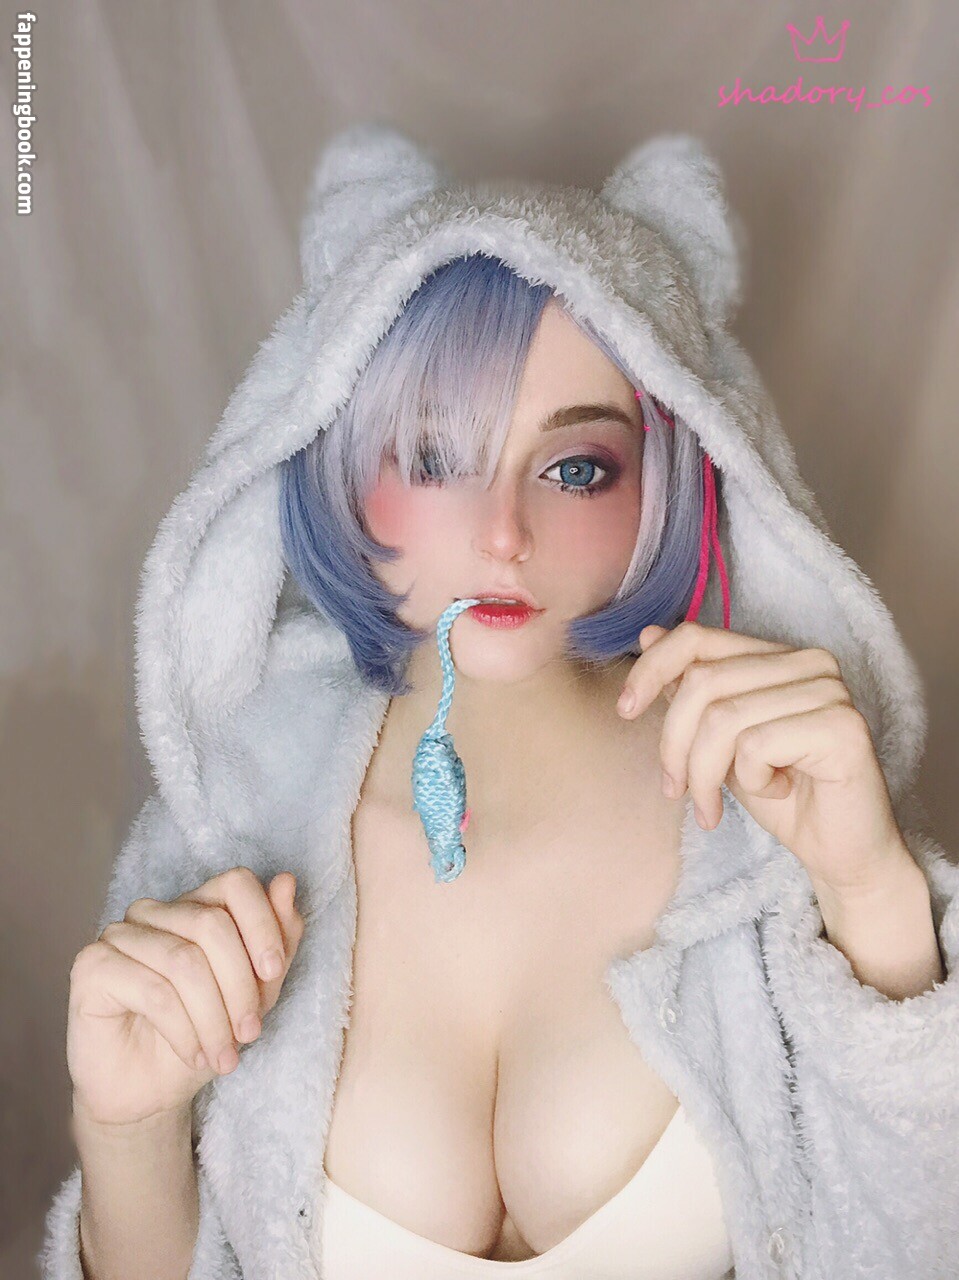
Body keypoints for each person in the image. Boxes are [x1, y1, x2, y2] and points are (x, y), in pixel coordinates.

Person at [40, 123, 959, 1280]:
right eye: (434, 458)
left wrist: (871, 891)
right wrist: (126, 1131)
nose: (502, 533)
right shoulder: (231, 816)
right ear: (336, 453)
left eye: (574, 467)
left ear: (669, 470)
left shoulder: (771, 803)